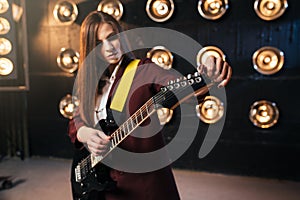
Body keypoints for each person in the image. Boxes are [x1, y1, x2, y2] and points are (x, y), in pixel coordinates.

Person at [68, 11, 232, 200]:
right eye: (99, 43)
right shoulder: (89, 81)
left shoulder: (143, 70)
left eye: (111, 37)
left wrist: (205, 70)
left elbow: (176, 85)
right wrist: (85, 134)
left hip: (140, 184)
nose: (109, 47)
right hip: (100, 182)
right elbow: (76, 119)